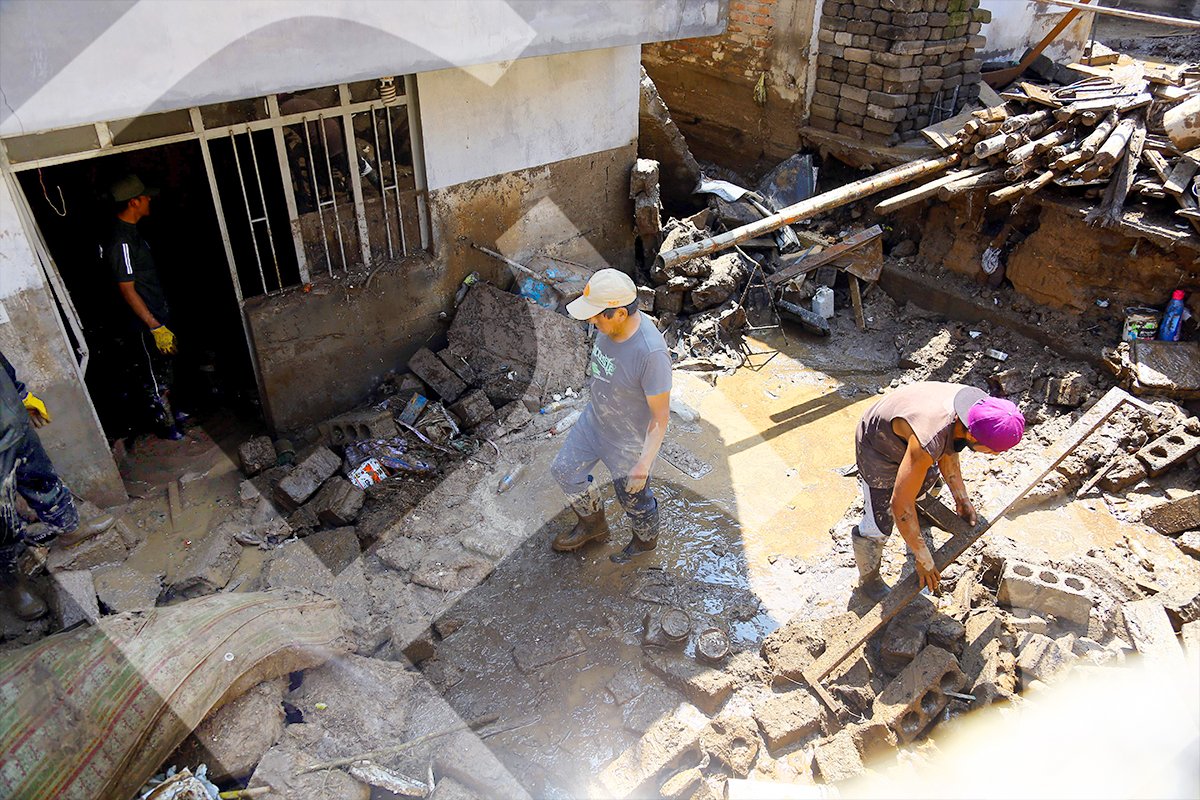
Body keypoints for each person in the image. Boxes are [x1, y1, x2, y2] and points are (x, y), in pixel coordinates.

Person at [852, 381, 1025, 598]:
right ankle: (869, 581)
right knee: (879, 523)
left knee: (927, 481)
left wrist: (962, 499)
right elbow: (900, 504)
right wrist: (923, 558)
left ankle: (921, 517)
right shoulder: (929, 438)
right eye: (992, 450)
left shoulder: (976, 410)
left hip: (914, 436)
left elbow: (950, 447)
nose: (995, 455)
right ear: (973, 435)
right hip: (878, 443)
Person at [550, 269, 672, 563]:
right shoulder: (608, 327)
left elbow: (660, 417)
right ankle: (593, 526)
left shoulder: (651, 354)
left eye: (597, 315)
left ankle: (644, 543)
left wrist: (643, 464)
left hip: (628, 440)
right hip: (595, 421)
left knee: (634, 500)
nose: (591, 321)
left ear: (619, 313)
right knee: (565, 471)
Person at [1, 350, 115, 620]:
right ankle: (12, 585)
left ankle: (70, 529)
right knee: (2, 520)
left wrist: (19, 393)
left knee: (42, 478)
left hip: (11, 421)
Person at [106, 173, 184, 440]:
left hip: (157, 313)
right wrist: (154, 326)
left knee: (166, 366)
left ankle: (174, 411)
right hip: (145, 323)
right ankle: (166, 425)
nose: (150, 199)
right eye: (145, 197)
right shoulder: (121, 242)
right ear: (133, 202)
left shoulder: (134, 234)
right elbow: (126, 289)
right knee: (153, 375)